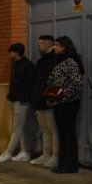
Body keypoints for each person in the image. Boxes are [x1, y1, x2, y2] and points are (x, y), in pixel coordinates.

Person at [46, 36, 84, 174]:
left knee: (68, 134)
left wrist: (62, 94)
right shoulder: (58, 61)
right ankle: (63, 163)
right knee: (62, 134)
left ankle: (70, 165)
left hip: (68, 103)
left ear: (64, 47)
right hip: (58, 102)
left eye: (56, 45)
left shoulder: (71, 62)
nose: (54, 47)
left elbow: (77, 83)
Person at [0, 43, 36, 163]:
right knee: (21, 127)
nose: (10, 54)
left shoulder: (27, 66)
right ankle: (24, 152)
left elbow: (29, 84)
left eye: (11, 51)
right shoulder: (15, 65)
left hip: (22, 101)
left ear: (16, 52)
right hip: (14, 99)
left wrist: (22, 98)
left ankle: (8, 152)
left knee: (17, 128)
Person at [29, 35, 58, 168]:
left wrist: (50, 99)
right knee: (44, 130)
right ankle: (46, 154)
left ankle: (55, 156)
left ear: (46, 45)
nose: (37, 47)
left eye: (39, 44)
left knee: (53, 130)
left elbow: (53, 83)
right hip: (39, 101)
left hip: (50, 102)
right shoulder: (41, 61)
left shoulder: (54, 60)